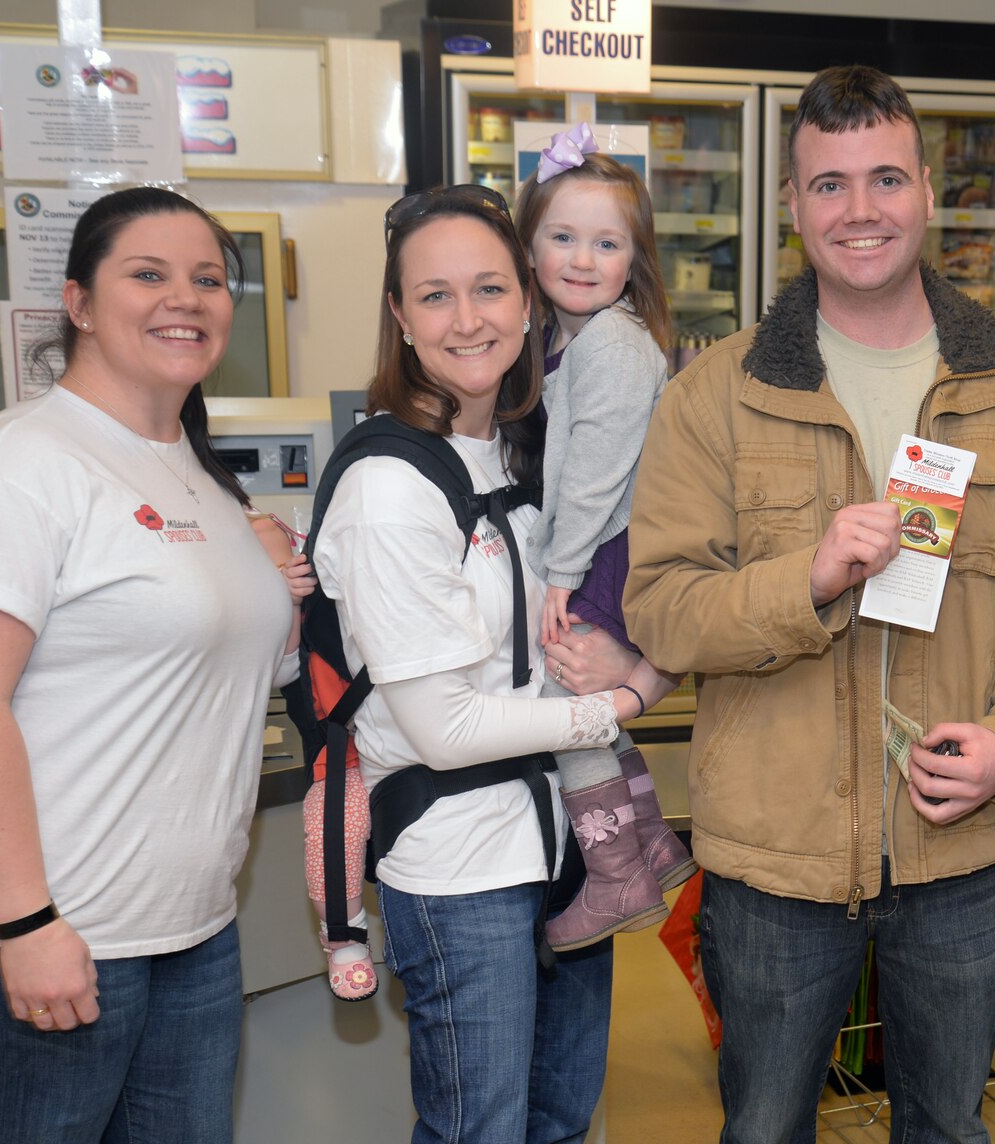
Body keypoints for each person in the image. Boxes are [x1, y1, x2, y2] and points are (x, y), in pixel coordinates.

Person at [625, 64, 995, 1142]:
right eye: (830, 185)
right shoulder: (716, 391)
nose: (860, 211)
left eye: (884, 178)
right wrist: (801, 578)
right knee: (763, 1128)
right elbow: (660, 609)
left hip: (964, 848)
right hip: (774, 860)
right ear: (792, 207)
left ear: (926, 191)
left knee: (947, 1126)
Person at [0, 187, 306, 1142]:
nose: (187, 298)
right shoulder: (19, 463)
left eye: (209, 279)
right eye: (149, 275)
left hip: (187, 926)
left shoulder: (198, 474)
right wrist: (27, 922)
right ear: (78, 302)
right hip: (35, 924)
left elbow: (216, 679)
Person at [315, 183, 677, 1144]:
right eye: (434, 296)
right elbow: (445, 728)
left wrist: (646, 661)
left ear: (528, 299)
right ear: (399, 315)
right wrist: (627, 701)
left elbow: (617, 612)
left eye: (488, 289)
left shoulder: (527, 456)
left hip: (563, 849)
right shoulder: (390, 484)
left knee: (560, 1122)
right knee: (484, 1130)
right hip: (460, 865)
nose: (468, 320)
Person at [514, 124, 694, 951]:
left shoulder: (613, 345)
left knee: (568, 703)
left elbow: (592, 472)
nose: (583, 259)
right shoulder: (573, 339)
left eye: (607, 242)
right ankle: (652, 843)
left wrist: (560, 571)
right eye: (563, 237)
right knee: (592, 707)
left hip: (608, 545)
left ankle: (616, 872)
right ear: (530, 246)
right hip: (607, 541)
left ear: (635, 259)